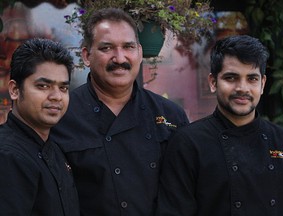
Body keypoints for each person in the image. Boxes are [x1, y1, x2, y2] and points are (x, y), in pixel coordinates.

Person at [50, 7, 189, 216]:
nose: (119, 58)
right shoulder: (61, 115)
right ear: (87, 56)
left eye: (128, 47)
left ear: (140, 53)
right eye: (107, 48)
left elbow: (183, 195)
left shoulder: (171, 116)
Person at [156, 35, 283, 216]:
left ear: (263, 84)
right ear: (213, 82)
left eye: (252, 79)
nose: (242, 88)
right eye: (231, 78)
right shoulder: (188, 143)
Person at [0, 38, 80, 216]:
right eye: (43, 86)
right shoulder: (7, 156)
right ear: (14, 90)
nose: (56, 97)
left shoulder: (53, 148)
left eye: (63, 88)